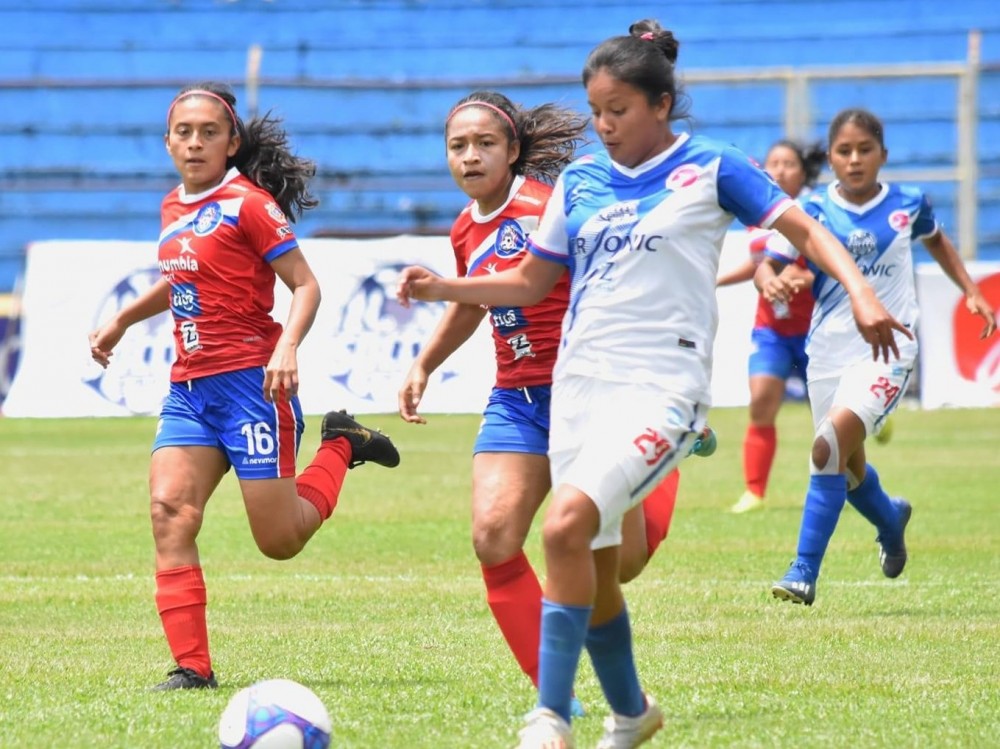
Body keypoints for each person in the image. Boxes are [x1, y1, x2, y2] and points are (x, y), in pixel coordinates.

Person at [397, 22, 907, 749]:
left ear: (662, 105)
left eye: (619, 110)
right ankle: (632, 712)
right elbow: (531, 279)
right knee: (600, 568)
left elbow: (804, 228)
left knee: (563, 527)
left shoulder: (712, 166)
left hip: (663, 387)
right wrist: (441, 285)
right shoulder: (578, 182)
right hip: (577, 389)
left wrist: (858, 290)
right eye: (596, 110)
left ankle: (548, 717)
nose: (603, 125)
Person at [397, 90, 713, 714]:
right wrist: (425, 362)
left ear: (513, 151)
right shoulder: (466, 227)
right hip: (517, 398)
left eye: (485, 143)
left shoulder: (555, 204)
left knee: (619, 565)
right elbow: (476, 298)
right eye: (457, 146)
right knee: (493, 537)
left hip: (593, 389)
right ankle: (556, 701)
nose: (470, 156)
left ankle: (667, 455)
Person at [88, 82, 400, 691]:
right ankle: (192, 669)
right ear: (168, 142)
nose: (196, 142)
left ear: (232, 142)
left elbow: (305, 285)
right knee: (168, 512)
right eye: (185, 132)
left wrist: (286, 346)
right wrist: (124, 317)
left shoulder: (249, 204)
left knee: (279, 541)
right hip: (190, 390)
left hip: (252, 388)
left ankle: (342, 444)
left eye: (209, 132)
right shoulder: (172, 206)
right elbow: (183, 278)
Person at [763, 108, 996, 606]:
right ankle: (890, 519)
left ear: (883, 156)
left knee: (826, 448)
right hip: (826, 351)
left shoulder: (909, 204)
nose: (854, 160)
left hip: (889, 346)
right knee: (847, 468)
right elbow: (771, 263)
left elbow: (937, 242)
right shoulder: (812, 210)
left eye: (864, 150)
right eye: (844, 151)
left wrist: (970, 290)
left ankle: (803, 571)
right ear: (830, 158)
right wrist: (771, 280)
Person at [717, 139, 825, 514]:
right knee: (762, 400)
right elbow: (760, 264)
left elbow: (834, 264)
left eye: (788, 164)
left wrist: (806, 280)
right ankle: (755, 491)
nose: (779, 170)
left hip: (818, 329)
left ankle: (845, 479)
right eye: (773, 163)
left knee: (833, 413)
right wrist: (716, 280)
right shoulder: (756, 216)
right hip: (773, 330)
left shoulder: (818, 211)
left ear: (803, 172)